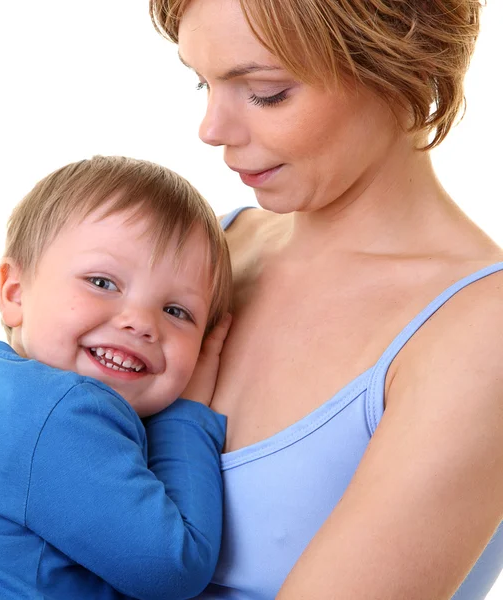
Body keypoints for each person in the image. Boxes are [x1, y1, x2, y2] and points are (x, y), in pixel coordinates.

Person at [149, 1, 503, 599]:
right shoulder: (209, 247)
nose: (211, 129)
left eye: (265, 92)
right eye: (202, 81)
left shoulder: (477, 332)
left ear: (401, 64)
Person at [0, 155, 232, 599]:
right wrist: (188, 415)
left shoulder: (14, 394)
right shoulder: (56, 411)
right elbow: (173, 568)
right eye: (102, 282)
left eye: (176, 311)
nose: (141, 321)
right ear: (15, 293)